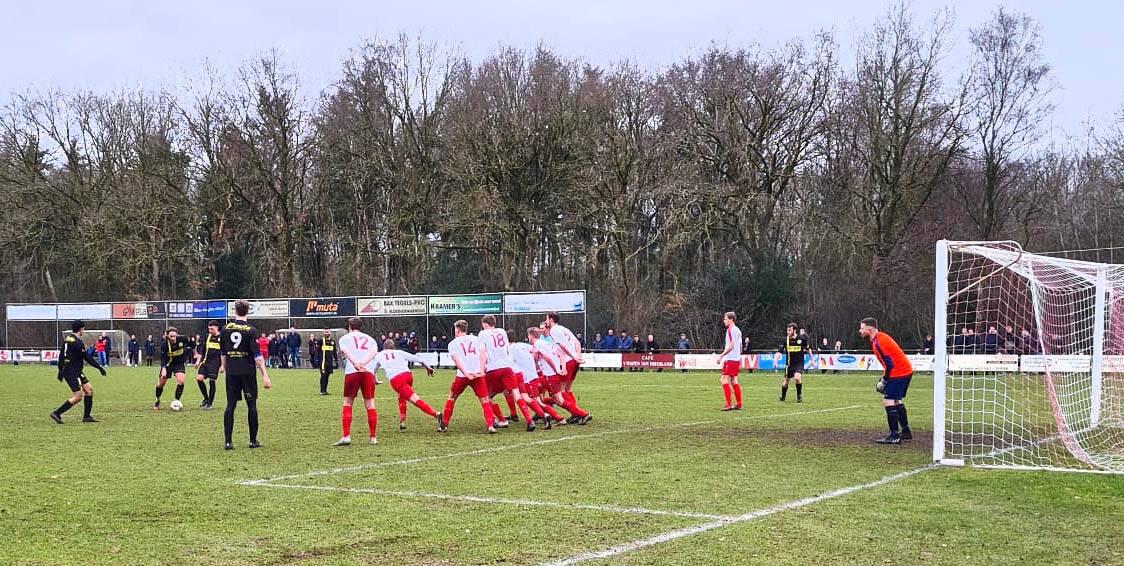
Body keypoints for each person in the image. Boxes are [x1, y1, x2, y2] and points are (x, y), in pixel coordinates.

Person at [220, 301, 272, 450]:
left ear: (235, 311)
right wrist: (265, 376)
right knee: (252, 405)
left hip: (232, 371)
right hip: (247, 371)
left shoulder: (225, 329)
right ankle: (252, 440)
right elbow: (257, 356)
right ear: (248, 311)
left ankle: (228, 442)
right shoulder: (251, 330)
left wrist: (224, 367)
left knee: (230, 405)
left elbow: (223, 353)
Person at [860, 317, 914, 445]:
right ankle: (905, 431)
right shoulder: (879, 338)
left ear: (870, 329)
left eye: (862, 328)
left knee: (888, 400)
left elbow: (889, 364)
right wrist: (885, 377)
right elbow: (889, 362)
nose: (860, 331)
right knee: (896, 400)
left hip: (899, 371)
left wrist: (884, 381)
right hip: (904, 370)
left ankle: (894, 435)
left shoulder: (879, 341)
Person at [441, 319, 497, 433]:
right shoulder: (476, 339)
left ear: (457, 330)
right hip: (477, 374)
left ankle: (444, 425)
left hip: (462, 376)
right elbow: (483, 354)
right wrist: (481, 370)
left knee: (452, 397)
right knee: (485, 400)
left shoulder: (453, 343)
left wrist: (466, 373)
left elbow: (456, 360)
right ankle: (491, 425)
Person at [529, 326, 589, 424]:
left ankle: (582, 414)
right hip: (547, 376)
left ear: (531, 336)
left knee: (559, 400)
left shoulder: (538, 344)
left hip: (551, 376)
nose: (528, 338)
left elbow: (548, 358)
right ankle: (544, 411)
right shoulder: (545, 343)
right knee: (536, 390)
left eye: (528, 336)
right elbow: (560, 354)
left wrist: (557, 369)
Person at [50, 320, 106, 424]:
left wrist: (60, 370)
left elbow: (61, 355)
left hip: (74, 370)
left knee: (89, 390)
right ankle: (57, 413)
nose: (84, 330)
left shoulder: (68, 339)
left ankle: (86, 417)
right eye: (83, 328)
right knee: (78, 396)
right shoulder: (77, 342)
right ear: (81, 329)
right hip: (72, 371)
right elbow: (87, 357)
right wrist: (99, 367)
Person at [477, 315, 524, 429]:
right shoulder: (502, 332)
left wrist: (481, 369)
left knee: (485, 396)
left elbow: (483, 353)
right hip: (509, 369)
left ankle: (499, 420)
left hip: (494, 369)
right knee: (514, 394)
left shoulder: (483, 334)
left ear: (485, 324)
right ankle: (525, 418)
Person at [544, 312, 589, 421]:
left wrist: (573, 356)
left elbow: (562, 346)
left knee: (562, 391)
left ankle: (578, 413)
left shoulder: (554, 330)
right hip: (573, 361)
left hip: (567, 361)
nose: (546, 321)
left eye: (546, 319)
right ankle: (576, 414)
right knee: (568, 389)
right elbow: (577, 343)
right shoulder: (564, 328)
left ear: (551, 320)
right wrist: (577, 356)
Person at [510, 332, 556, 431]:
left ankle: (553, 417)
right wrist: (532, 362)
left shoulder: (510, 349)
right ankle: (542, 416)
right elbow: (534, 350)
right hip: (528, 375)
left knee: (532, 400)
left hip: (525, 377)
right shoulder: (522, 345)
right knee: (527, 398)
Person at [153, 327, 189, 410]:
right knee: (161, 383)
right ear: (167, 336)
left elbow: (191, 344)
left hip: (179, 364)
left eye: (174, 336)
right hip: (168, 364)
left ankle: (176, 401)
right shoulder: (164, 344)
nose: (173, 338)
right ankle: (157, 399)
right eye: (171, 336)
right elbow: (162, 358)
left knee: (181, 380)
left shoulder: (182, 339)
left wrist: (196, 353)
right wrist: (163, 369)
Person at [716, 312, 743, 411]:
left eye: (725, 319)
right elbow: (740, 347)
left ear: (731, 319)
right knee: (734, 380)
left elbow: (731, 345)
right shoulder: (738, 330)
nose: (724, 321)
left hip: (730, 359)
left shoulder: (731, 330)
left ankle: (728, 404)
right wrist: (738, 355)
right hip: (736, 359)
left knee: (723, 379)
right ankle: (739, 404)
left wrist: (721, 355)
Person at [194, 321, 223, 409]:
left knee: (212, 381)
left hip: (215, 363)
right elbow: (203, 351)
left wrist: (222, 366)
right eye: (209, 329)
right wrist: (198, 361)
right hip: (205, 362)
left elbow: (223, 353)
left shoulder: (222, 338)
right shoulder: (208, 336)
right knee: (199, 379)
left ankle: (210, 403)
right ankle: (206, 399)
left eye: (212, 329)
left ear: (217, 328)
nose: (210, 330)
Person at [780, 323, 809, 403]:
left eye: (790, 330)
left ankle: (799, 396)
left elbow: (808, 348)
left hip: (799, 363)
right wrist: (775, 359)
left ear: (794, 330)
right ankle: (783, 396)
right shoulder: (785, 340)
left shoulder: (801, 339)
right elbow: (779, 351)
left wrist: (812, 359)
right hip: (789, 364)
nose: (788, 332)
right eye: (787, 330)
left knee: (797, 377)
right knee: (785, 382)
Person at [318, 329, 338, 395]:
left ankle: (325, 390)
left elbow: (334, 352)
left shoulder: (332, 341)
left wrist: (336, 360)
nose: (326, 333)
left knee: (327, 376)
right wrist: (317, 360)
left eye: (328, 332)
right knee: (323, 375)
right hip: (323, 362)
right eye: (325, 332)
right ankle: (322, 391)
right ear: (323, 333)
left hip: (329, 362)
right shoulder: (321, 341)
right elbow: (317, 351)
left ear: (330, 333)